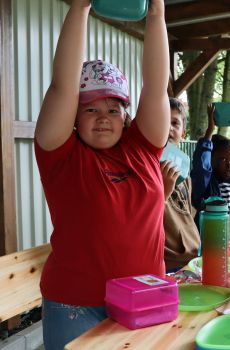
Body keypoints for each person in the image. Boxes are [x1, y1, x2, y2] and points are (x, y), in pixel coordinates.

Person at [33, 0, 170, 348]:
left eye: (113, 108)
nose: (103, 116)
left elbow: (155, 86)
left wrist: (156, 14)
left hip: (146, 298)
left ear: (126, 116)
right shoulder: (60, 155)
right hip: (74, 305)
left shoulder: (143, 147)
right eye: (89, 108)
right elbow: (62, 87)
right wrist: (80, 9)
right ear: (74, 119)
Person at [161, 97, 200, 272]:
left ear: (183, 132)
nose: (168, 128)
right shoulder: (145, 166)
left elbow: (188, 214)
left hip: (192, 259)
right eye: (162, 120)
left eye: (175, 123)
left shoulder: (184, 171)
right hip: (168, 264)